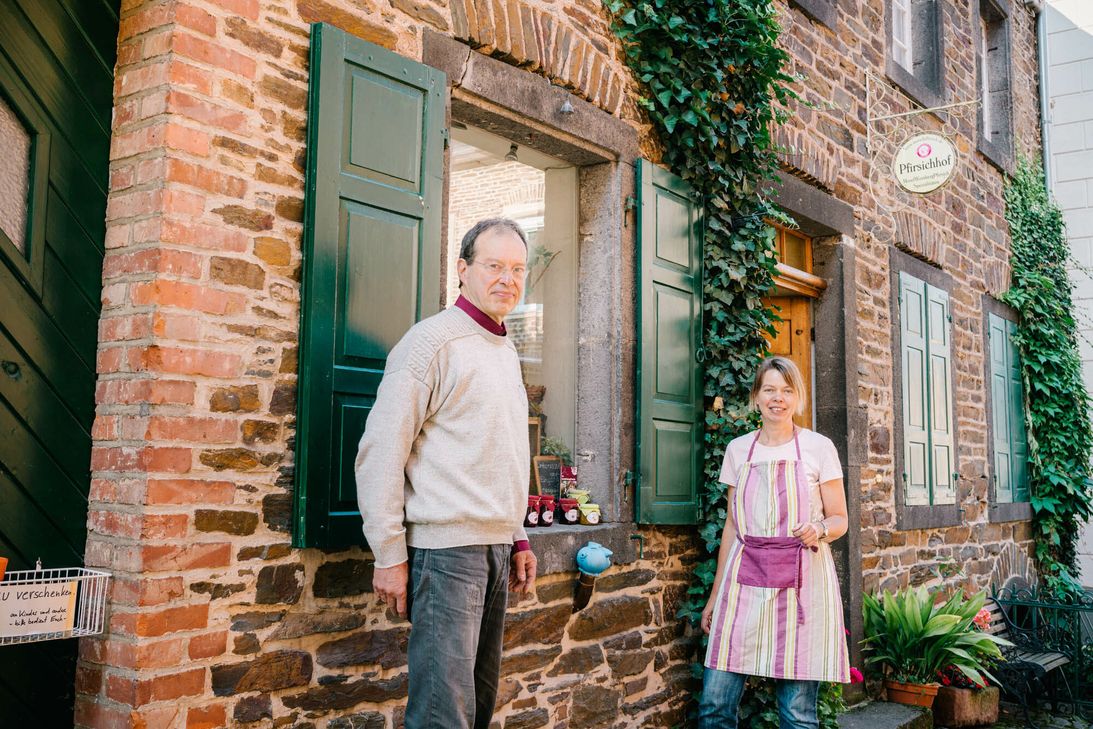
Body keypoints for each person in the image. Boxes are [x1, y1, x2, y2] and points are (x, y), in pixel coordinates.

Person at [355, 218, 538, 729]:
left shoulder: (504, 350)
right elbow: (380, 453)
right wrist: (389, 554)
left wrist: (517, 535)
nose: (507, 279)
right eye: (494, 266)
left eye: (517, 269)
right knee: (443, 714)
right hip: (446, 555)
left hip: (495, 550)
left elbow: (500, 452)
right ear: (462, 269)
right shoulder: (430, 343)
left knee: (477, 707)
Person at [699, 355, 850, 729]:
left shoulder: (818, 448)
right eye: (769, 389)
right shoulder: (738, 450)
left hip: (802, 586)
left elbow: (840, 519)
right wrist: (715, 596)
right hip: (743, 583)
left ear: (797, 398)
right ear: (756, 396)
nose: (777, 398)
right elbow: (732, 527)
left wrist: (819, 528)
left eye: (786, 390)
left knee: (797, 715)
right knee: (715, 705)